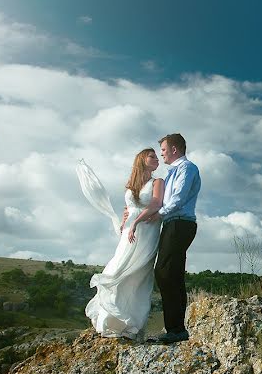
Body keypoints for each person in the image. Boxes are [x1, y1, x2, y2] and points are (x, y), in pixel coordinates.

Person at [84, 148, 164, 339]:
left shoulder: (158, 182)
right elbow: (130, 207)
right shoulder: (131, 184)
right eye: (152, 156)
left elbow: (155, 204)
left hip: (146, 230)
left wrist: (136, 221)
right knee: (118, 268)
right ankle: (111, 320)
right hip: (129, 232)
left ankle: (132, 325)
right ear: (141, 160)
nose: (157, 159)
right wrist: (125, 220)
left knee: (138, 275)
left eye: (157, 156)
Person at [143, 133, 201, 344]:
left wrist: (159, 214)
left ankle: (176, 329)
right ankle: (176, 329)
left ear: (175, 150)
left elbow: (178, 197)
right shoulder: (171, 173)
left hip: (180, 223)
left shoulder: (187, 168)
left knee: (166, 272)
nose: (162, 155)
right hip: (172, 223)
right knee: (172, 273)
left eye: (164, 150)